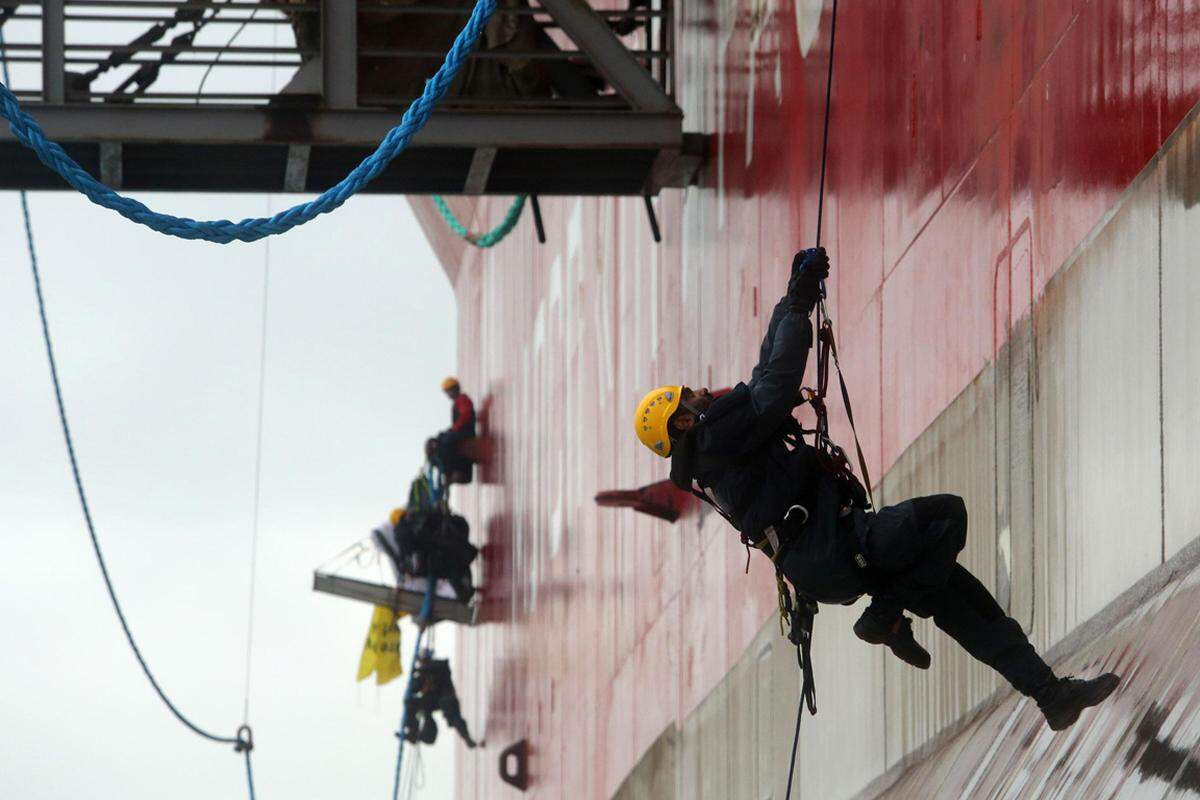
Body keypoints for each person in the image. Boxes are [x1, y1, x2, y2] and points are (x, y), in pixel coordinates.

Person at [633, 248, 1119, 732]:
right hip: (839, 546)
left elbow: (763, 378)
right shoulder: (713, 435)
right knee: (946, 516)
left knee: (962, 599)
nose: (702, 392)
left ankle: (1050, 695)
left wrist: (790, 300)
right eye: (689, 395)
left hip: (830, 556)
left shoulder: (715, 452)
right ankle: (884, 615)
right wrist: (799, 305)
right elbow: (776, 386)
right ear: (680, 420)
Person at [403, 651, 477, 748]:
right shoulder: (422, 675)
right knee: (411, 703)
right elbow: (414, 689)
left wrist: (420, 670)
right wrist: (414, 679)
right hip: (432, 701)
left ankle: (466, 738)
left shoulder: (440, 665)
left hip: (446, 697)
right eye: (422, 661)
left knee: (454, 718)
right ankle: (413, 731)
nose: (423, 662)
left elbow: (438, 668)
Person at [434, 377, 476, 483]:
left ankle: (453, 470)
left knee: (447, 443)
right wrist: (449, 431)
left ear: (455, 389)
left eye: (449, 391)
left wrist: (453, 430)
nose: (449, 395)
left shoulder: (462, 400)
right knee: (442, 439)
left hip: (466, 432)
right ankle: (449, 472)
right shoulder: (458, 401)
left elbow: (465, 416)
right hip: (461, 431)